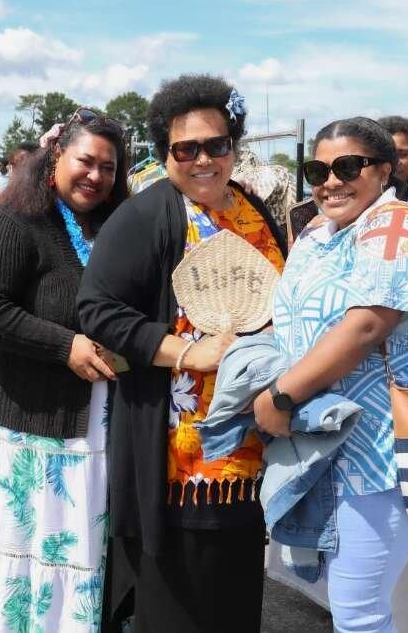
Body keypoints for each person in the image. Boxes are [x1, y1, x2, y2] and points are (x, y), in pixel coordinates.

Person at [78, 75, 286, 632]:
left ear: (233, 148)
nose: (202, 160)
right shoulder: (146, 216)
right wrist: (184, 352)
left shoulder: (253, 211)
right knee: (179, 605)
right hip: (179, 458)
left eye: (216, 146)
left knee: (236, 596)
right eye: (185, 148)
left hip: (251, 446)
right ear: (164, 153)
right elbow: (97, 309)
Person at [257, 116, 408, 630]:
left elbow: (367, 325)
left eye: (347, 166)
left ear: (383, 170)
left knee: (359, 614)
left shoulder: (398, 225)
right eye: (318, 168)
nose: (330, 180)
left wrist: (281, 395)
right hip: (328, 443)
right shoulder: (324, 232)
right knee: (346, 605)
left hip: (377, 452)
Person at [0, 109, 129, 631]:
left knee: (79, 541)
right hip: (29, 428)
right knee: (26, 546)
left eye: (108, 167)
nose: (96, 176)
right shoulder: (15, 221)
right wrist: (64, 345)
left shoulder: (106, 224)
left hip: (91, 422)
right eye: (85, 161)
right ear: (55, 156)